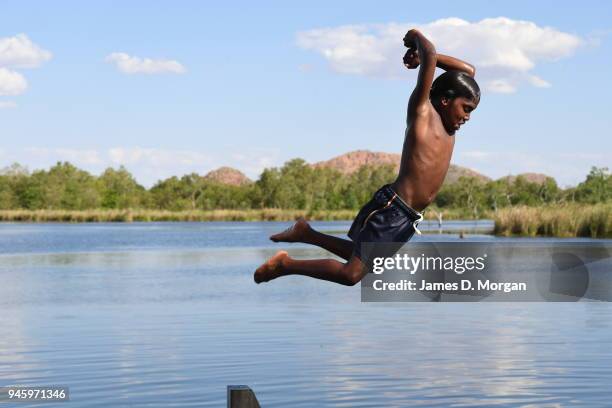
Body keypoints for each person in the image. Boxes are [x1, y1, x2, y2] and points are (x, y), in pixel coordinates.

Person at [254, 29, 480, 286]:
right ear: (444, 100)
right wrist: (416, 40)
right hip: (393, 209)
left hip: (406, 217)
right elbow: (429, 54)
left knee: (362, 262)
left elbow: (469, 71)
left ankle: (306, 233)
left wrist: (424, 56)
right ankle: (285, 264)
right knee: (352, 274)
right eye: (466, 108)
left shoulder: (449, 126)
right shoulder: (423, 114)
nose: (467, 117)